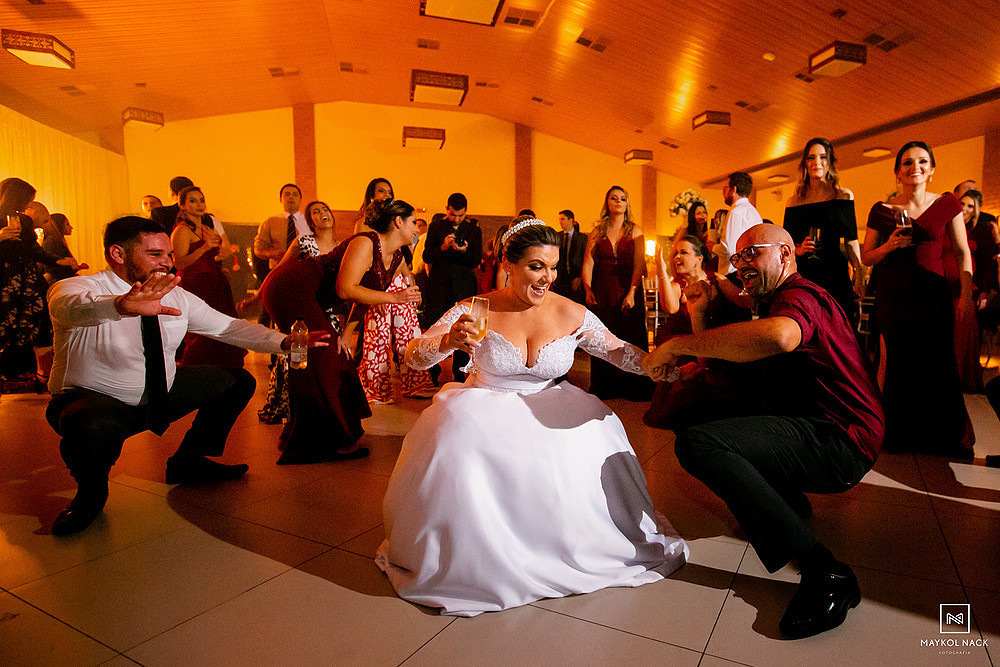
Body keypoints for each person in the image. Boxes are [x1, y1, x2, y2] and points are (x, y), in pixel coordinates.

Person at [376, 219, 688, 616]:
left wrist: (655, 366)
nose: (547, 278)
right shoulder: (475, 307)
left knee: (590, 437)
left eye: (553, 267)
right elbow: (414, 354)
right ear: (509, 264)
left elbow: (616, 350)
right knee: (457, 440)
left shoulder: (571, 311)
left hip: (551, 401)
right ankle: (476, 560)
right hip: (485, 402)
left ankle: (570, 546)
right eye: (536, 266)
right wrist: (449, 341)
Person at [644, 224, 884, 639]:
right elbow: (744, 378)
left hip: (843, 439)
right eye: (738, 258)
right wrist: (697, 328)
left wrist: (678, 344)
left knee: (699, 442)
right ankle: (787, 505)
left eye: (753, 253)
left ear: (786, 254)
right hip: (821, 426)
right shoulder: (773, 301)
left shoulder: (799, 295)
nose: (742, 266)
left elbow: (781, 336)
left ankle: (826, 572)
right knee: (697, 415)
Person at [45, 216, 330, 535]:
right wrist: (119, 306)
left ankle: (189, 460)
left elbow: (227, 327)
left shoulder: (176, 296)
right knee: (90, 426)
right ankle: (90, 495)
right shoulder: (77, 287)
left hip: (161, 393)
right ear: (118, 254)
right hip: (96, 400)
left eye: (168, 254)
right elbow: (69, 308)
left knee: (238, 381)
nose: (167, 262)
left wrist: (283, 342)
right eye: (155, 254)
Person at [861, 141, 975, 459]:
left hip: (934, 296)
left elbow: (962, 251)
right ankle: (899, 434)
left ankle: (943, 435)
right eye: (908, 163)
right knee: (898, 363)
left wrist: (965, 295)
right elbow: (867, 257)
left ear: (932, 170)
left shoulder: (947, 203)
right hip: (894, 297)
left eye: (923, 162)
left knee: (938, 362)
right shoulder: (882, 210)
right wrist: (889, 246)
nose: (916, 167)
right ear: (898, 172)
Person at [337, 199, 432, 403]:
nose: (417, 229)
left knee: (408, 332)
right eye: (413, 222)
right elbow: (348, 291)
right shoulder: (366, 242)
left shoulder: (395, 257)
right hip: (310, 290)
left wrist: (347, 333)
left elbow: (364, 296)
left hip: (347, 298)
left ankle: (411, 383)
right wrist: (393, 297)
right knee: (376, 334)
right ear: (398, 221)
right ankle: (374, 388)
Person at [256, 200, 341, 425]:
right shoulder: (302, 242)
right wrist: (257, 297)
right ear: (310, 221)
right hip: (301, 307)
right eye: (316, 212)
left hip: (327, 308)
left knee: (329, 356)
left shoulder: (343, 247)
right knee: (297, 353)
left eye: (325, 210)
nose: (322, 214)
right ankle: (289, 404)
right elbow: (279, 271)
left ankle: (327, 407)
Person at [0, 180, 79, 390]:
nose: (26, 205)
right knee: (6, 322)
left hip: (25, 276)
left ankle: (19, 371)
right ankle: (9, 371)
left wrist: (56, 260)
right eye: (25, 199)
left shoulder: (23, 221)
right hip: (6, 277)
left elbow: (33, 249)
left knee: (28, 321)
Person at [581, 186, 654, 400]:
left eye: (623, 198)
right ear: (607, 202)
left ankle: (634, 386)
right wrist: (587, 288)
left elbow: (639, 265)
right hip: (603, 287)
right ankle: (606, 386)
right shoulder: (598, 231)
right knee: (603, 335)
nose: (618, 201)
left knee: (630, 334)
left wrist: (632, 292)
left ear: (627, 204)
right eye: (614, 198)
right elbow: (588, 263)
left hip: (627, 285)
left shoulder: (635, 230)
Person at [782, 138, 864, 329]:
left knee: (840, 328)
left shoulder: (843, 196)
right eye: (811, 157)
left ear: (830, 162)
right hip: (805, 274)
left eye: (822, 157)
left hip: (835, 272)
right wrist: (799, 249)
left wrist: (858, 274)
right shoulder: (794, 202)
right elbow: (786, 244)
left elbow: (851, 240)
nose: (816, 162)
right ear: (805, 163)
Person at [170, 186, 244, 368]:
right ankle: (194, 373)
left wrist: (221, 252)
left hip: (214, 283)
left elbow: (216, 255)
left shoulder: (207, 228)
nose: (199, 205)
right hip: (194, 285)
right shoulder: (181, 231)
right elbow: (179, 263)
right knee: (201, 335)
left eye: (201, 200)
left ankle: (223, 373)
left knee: (223, 330)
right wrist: (204, 248)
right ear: (182, 205)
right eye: (193, 201)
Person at [422, 192, 483, 383]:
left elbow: (475, 260)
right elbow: (426, 257)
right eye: (453, 215)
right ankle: (431, 372)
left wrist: (464, 251)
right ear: (447, 209)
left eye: (460, 215)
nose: (456, 219)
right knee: (435, 326)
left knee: (464, 328)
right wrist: (442, 247)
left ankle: (460, 371)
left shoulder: (473, 230)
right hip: (438, 284)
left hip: (463, 285)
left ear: (466, 212)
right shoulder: (436, 227)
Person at [253, 184, 308, 273]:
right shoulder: (270, 222)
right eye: (287, 194)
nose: (291, 197)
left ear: (300, 200)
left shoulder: (309, 221)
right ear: (280, 199)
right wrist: (271, 254)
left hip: (304, 270)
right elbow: (258, 248)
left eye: (295, 195)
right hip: (278, 270)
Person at [716, 172, 763, 273]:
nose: (723, 192)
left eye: (725, 188)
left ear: (734, 190)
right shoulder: (754, 212)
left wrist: (713, 247)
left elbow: (729, 250)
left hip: (733, 272)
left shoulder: (736, 212)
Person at [41, 213, 89, 283]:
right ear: (59, 226)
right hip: (57, 283)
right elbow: (59, 269)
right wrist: (73, 268)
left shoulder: (54, 242)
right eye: (67, 224)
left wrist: (78, 267)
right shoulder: (54, 243)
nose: (71, 227)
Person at [552, 209, 587, 303]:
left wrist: (580, 277)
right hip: (560, 279)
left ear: (570, 220)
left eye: (563, 219)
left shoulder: (582, 238)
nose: (560, 222)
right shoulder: (557, 236)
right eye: (559, 219)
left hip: (575, 278)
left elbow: (585, 258)